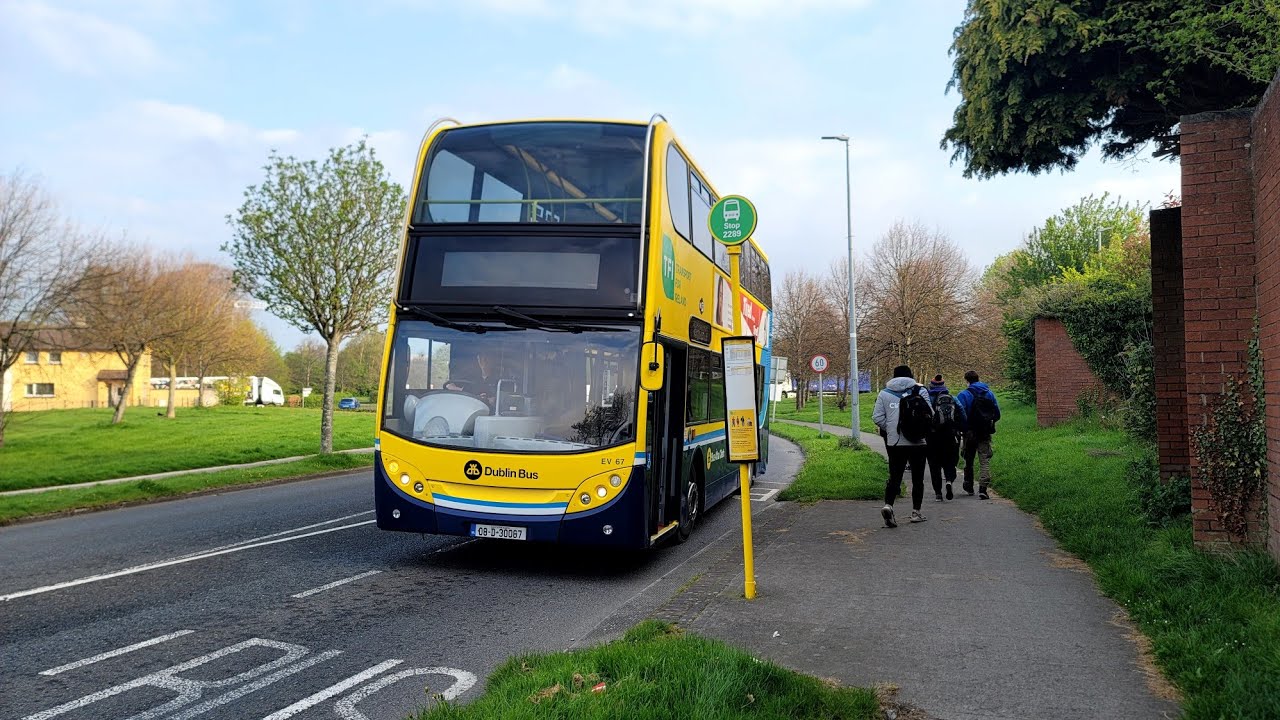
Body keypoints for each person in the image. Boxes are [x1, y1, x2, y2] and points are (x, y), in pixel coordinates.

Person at [872, 365, 931, 527]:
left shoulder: (884, 393)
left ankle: (888, 505)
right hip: (918, 442)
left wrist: (891, 430)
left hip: (895, 443)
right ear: (910, 375)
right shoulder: (921, 391)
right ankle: (916, 512)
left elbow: (877, 417)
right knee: (918, 479)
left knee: (895, 476)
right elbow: (929, 414)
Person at [956, 370, 1001, 499]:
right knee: (984, 460)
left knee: (968, 459)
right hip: (984, 432)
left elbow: (960, 414)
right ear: (978, 378)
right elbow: (997, 413)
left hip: (969, 432)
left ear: (966, 380)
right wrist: (988, 423)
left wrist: (963, 428)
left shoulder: (963, 394)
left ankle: (969, 484)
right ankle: (983, 488)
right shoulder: (989, 393)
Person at [925, 374, 965, 502]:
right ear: (944, 386)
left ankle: (938, 493)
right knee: (950, 462)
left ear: (931, 386)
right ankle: (948, 481)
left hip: (932, 437)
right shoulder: (952, 398)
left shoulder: (928, 399)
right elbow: (962, 414)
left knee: (934, 465)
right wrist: (962, 429)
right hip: (951, 436)